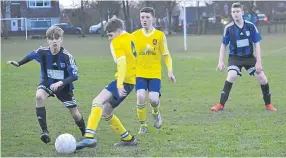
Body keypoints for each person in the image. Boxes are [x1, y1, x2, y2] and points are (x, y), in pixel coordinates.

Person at [6, 25, 86, 143]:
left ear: (61, 40)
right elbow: (30, 56)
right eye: (51, 38)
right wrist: (18, 63)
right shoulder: (42, 52)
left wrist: (60, 82)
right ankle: (45, 132)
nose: (54, 40)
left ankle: (85, 133)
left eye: (57, 38)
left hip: (64, 87)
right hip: (47, 83)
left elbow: (75, 76)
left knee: (75, 114)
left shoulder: (67, 57)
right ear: (47, 40)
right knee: (39, 96)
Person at [76, 17, 146, 150]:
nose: (109, 38)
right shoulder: (132, 38)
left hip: (123, 81)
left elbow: (122, 63)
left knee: (97, 101)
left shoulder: (117, 42)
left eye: (110, 35)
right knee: (106, 112)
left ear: (118, 31)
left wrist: (119, 84)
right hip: (131, 83)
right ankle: (128, 139)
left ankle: (88, 137)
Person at [211, 2, 277, 112]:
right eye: (233, 12)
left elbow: (257, 44)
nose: (235, 14)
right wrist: (220, 61)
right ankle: (220, 104)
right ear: (231, 14)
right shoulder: (228, 28)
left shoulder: (251, 26)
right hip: (235, 58)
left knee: (262, 78)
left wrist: (258, 62)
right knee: (231, 75)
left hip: (249, 58)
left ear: (242, 12)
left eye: (237, 11)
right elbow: (223, 45)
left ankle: (268, 104)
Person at [132, 7, 176, 135]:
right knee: (140, 96)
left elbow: (166, 55)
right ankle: (143, 125)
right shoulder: (134, 36)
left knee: (153, 99)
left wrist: (170, 71)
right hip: (139, 73)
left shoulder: (160, 36)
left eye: (147, 17)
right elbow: (129, 53)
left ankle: (156, 113)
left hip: (154, 73)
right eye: (142, 17)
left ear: (153, 19)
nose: (144, 20)